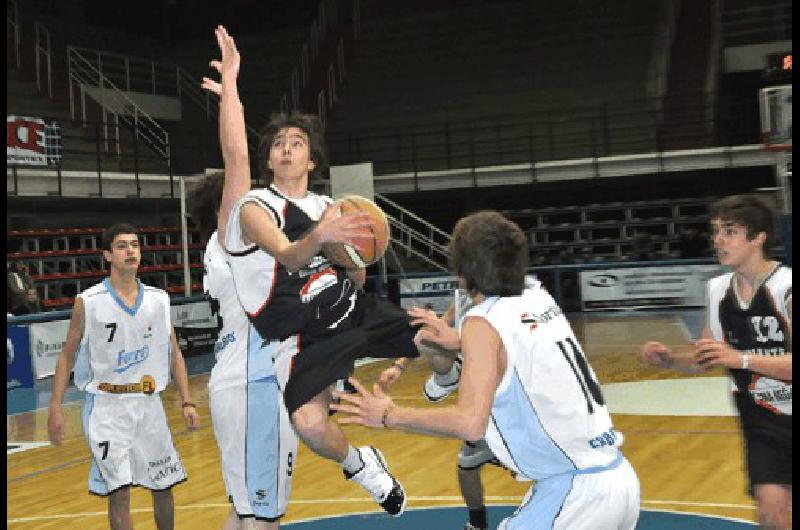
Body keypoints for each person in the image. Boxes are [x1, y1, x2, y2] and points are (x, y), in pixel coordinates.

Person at [218, 28, 454, 517]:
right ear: (268, 159)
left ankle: (445, 380)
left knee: (439, 337)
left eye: (297, 142)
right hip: (305, 335)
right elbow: (288, 256)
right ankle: (362, 465)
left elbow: (357, 277)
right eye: (278, 144)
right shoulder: (254, 207)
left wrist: (354, 261)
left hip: (351, 311)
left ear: (312, 158)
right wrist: (323, 238)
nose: (286, 149)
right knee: (307, 424)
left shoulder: (336, 206)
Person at [332, 210, 641, 529]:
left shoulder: (483, 322)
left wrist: (388, 415)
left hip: (575, 495)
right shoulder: (536, 294)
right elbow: (518, 344)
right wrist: (459, 341)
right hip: (619, 480)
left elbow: (470, 424)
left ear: (462, 271)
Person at [193, 26, 298, 529]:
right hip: (255, 382)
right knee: (266, 518)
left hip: (233, 379)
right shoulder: (236, 229)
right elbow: (236, 157)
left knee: (243, 510)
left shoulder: (222, 249)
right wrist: (231, 83)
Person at [640, 194, 792, 529]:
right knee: (770, 509)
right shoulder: (717, 290)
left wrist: (740, 358)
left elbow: (737, 358)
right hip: (763, 418)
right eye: (716, 231)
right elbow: (707, 358)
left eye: (729, 231)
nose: (718, 240)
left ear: (758, 238)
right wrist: (670, 361)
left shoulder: (787, 287)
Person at [47, 223, 200, 530]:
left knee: (163, 486)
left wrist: (187, 400)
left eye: (135, 244)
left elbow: (174, 353)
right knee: (119, 493)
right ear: (107, 255)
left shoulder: (159, 300)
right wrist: (55, 407)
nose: (131, 251)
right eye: (121, 245)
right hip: (106, 406)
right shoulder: (88, 302)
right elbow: (67, 354)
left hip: (149, 404)